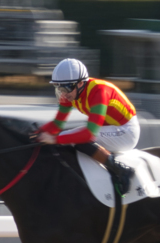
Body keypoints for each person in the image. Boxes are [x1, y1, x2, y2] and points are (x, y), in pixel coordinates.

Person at [36, 58, 138, 195]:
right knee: (66, 136)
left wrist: (54, 139)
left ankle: (121, 171)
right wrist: (35, 134)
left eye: (66, 88)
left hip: (126, 131)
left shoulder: (99, 92)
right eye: (59, 87)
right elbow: (57, 124)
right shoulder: (70, 93)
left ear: (81, 83)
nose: (63, 94)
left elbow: (89, 134)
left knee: (76, 138)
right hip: (109, 128)